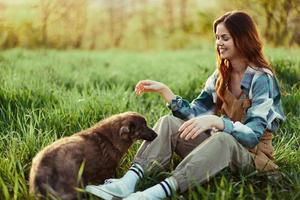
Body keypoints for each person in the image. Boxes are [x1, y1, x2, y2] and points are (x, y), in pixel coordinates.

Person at [85, 11, 285, 200]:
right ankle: (127, 183)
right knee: (169, 123)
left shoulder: (262, 79)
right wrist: (167, 93)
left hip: (251, 158)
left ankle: (154, 194)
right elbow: (196, 115)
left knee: (223, 139)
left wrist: (219, 122)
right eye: (217, 38)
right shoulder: (220, 76)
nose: (219, 44)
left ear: (243, 39)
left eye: (225, 38)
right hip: (216, 151)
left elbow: (252, 136)